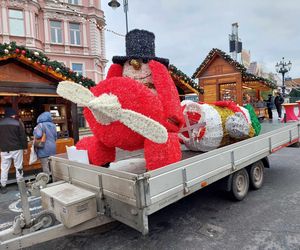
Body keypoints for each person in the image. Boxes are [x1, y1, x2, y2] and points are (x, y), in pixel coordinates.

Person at [0, 107, 28, 194]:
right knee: (18, 167)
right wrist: (25, 147)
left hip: (4, 149)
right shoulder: (17, 123)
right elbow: (22, 136)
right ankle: (20, 184)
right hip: (17, 148)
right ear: (11, 114)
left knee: (4, 168)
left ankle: (3, 186)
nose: (14, 115)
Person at [33, 111, 57, 176]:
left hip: (43, 148)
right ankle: (54, 179)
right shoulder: (53, 125)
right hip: (52, 148)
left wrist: (34, 131)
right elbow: (55, 137)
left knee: (45, 166)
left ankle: (48, 180)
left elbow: (38, 135)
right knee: (52, 166)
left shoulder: (40, 125)